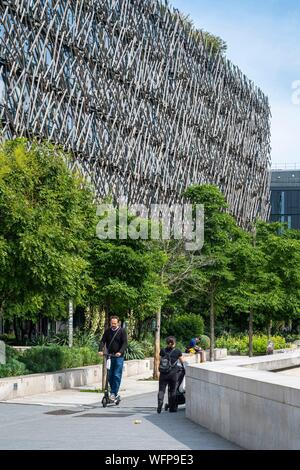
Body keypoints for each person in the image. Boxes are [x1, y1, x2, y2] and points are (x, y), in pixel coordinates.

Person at [98, 316, 128, 401]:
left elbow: (125, 343)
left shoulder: (122, 331)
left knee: (116, 375)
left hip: (119, 357)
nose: (113, 325)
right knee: (110, 375)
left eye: (115, 323)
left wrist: (120, 352)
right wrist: (100, 350)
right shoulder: (107, 331)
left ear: (118, 323)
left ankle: (114, 393)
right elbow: (102, 341)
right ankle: (112, 392)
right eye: (112, 323)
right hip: (110, 356)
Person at [157, 336, 184, 414]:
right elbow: (183, 362)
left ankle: (160, 402)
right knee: (172, 391)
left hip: (163, 374)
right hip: (173, 374)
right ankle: (172, 408)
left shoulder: (163, 350)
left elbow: (159, 360)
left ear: (167, 343)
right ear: (174, 343)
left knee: (161, 390)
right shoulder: (177, 351)